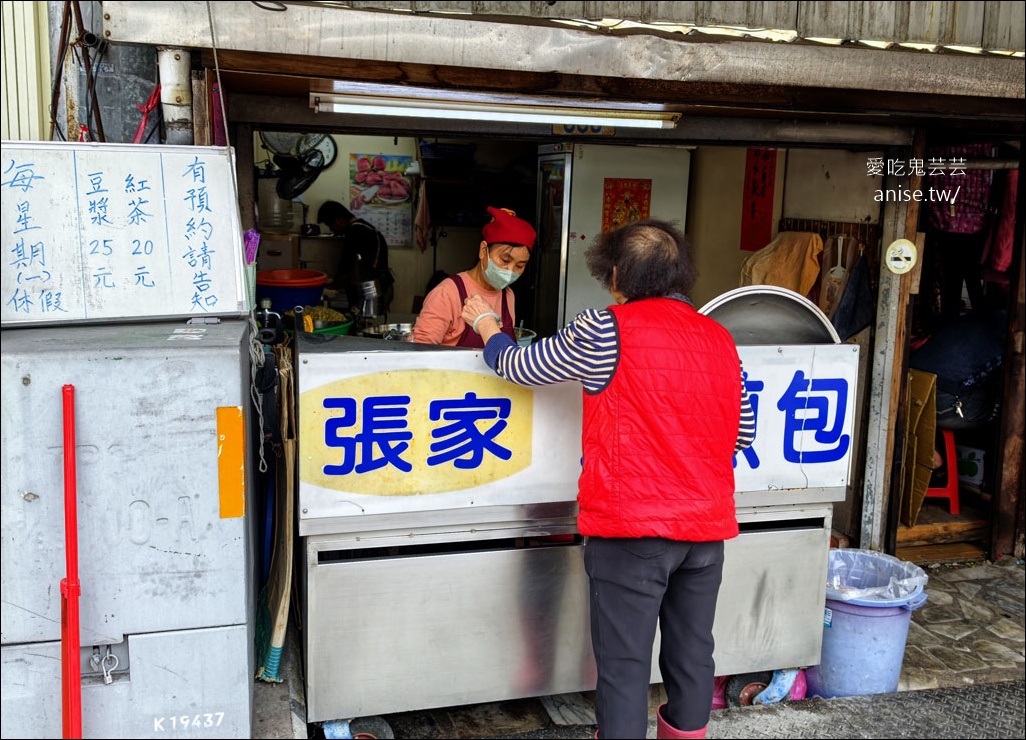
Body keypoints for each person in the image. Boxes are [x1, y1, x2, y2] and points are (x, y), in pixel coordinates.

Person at [461, 219, 755, 740]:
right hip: (706, 532)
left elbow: (522, 366)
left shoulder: (605, 327)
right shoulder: (720, 338)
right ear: (678, 274)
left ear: (615, 272)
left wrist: (487, 323)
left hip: (632, 532)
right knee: (692, 653)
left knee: (623, 667)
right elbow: (742, 434)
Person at [409, 206, 535, 347]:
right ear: (483, 251)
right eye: (505, 260)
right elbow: (419, 351)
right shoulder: (448, 293)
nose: (510, 271)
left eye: (520, 266)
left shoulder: (508, 296)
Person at [316, 200, 393, 316]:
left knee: (364, 326)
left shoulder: (355, 232)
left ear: (338, 219)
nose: (332, 230)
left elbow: (346, 265)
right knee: (372, 325)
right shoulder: (365, 227)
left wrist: (332, 287)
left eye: (330, 225)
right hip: (382, 287)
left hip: (371, 292)